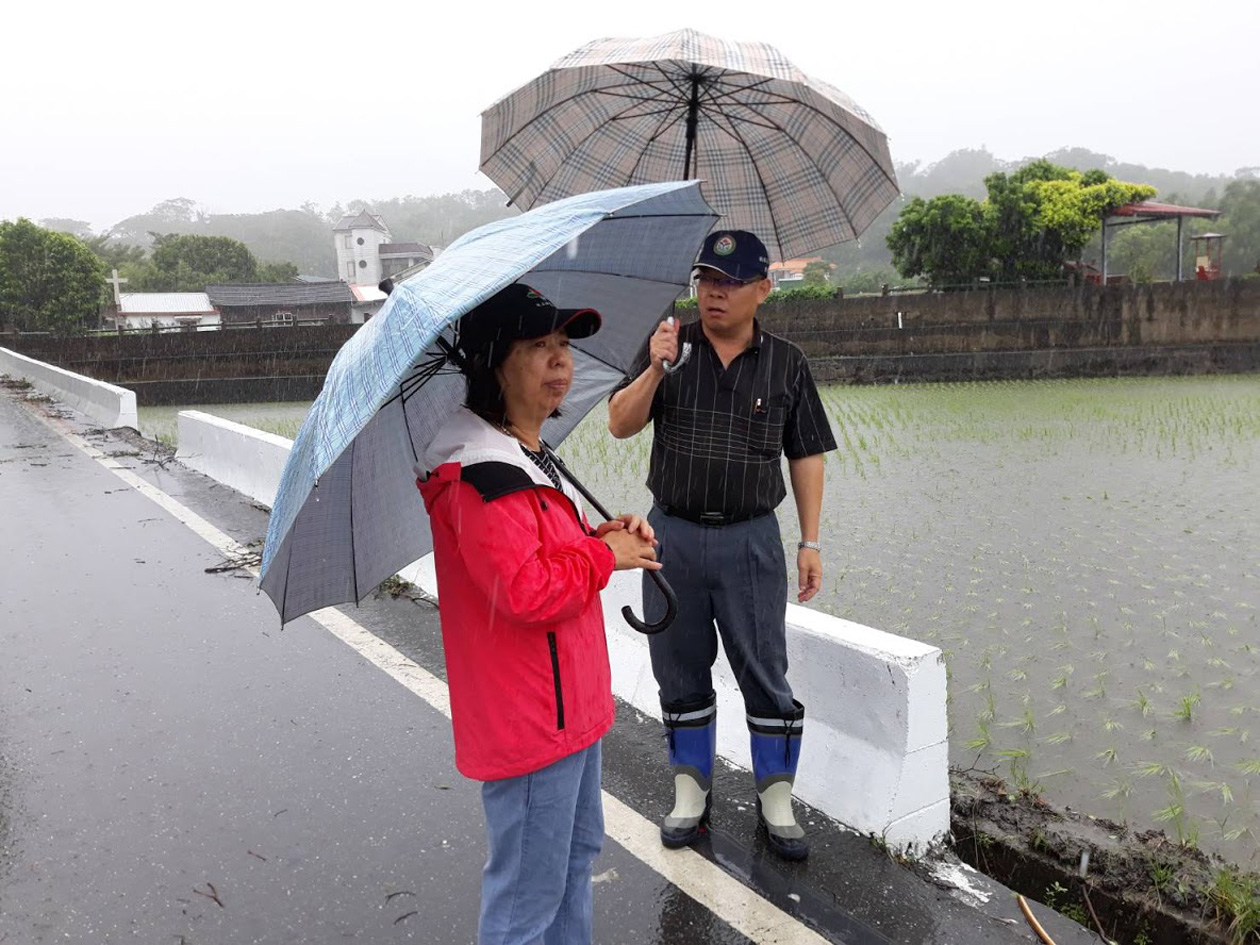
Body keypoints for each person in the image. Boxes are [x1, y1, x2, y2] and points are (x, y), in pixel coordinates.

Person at [417, 282, 660, 945]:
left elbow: (554, 554)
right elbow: (523, 590)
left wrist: (603, 536)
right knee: (525, 900)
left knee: (574, 862)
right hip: (532, 724)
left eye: (563, 345)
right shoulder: (481, 475)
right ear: (495, 359)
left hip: (570, 710)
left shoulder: (526, 455)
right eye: (537, 346)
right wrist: (602, 559)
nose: (560, 362)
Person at [608, 230, 837, 861]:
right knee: (677, 667)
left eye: (732, 282)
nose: (716, 292)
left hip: (752, 539)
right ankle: (690, 792)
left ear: (763, 289)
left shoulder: (787, 362)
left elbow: (807, 452)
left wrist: (809, 540)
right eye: (707, 279)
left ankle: (776, 799)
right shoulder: (668, 346)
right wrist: (654, 368)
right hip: (671, 535)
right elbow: (620, 423)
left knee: (766, 669)